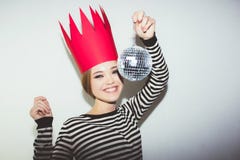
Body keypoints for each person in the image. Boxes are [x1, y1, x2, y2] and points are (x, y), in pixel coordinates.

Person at [30, 7, 169, 160]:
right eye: (98, 76)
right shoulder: (73, 128)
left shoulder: (129, 113)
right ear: (87, 83)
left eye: (114, 71)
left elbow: (160, 79)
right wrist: (44, 125)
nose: (110, 80)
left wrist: (150, 40)